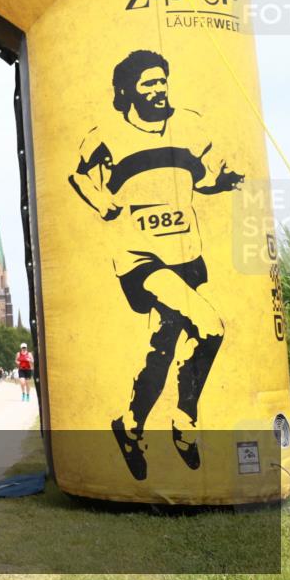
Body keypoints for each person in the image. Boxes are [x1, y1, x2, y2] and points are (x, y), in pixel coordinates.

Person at [69, 50, 241, 481]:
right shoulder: (107, 133)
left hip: (188, 255)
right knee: (211, 326)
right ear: (127, 91)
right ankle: (185, 422)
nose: (158, 89)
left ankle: (128, 426)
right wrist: (101, 201)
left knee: (161, 352)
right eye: (148, 83)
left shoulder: (190, 125)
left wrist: (223, 181)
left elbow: (200, 180)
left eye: (162, 80)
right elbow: (79, 174)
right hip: (141, 259)